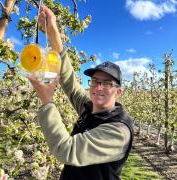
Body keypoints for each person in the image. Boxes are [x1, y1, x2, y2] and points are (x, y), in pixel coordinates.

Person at [28, 5, 134, 180]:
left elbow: (66, 150)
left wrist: (47, 101)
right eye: (94, 81)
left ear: (118, 92)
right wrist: (53, 32)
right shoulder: (90, 107)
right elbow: (69, 81)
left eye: (107, 83)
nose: (98, 87)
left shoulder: (118, 131)